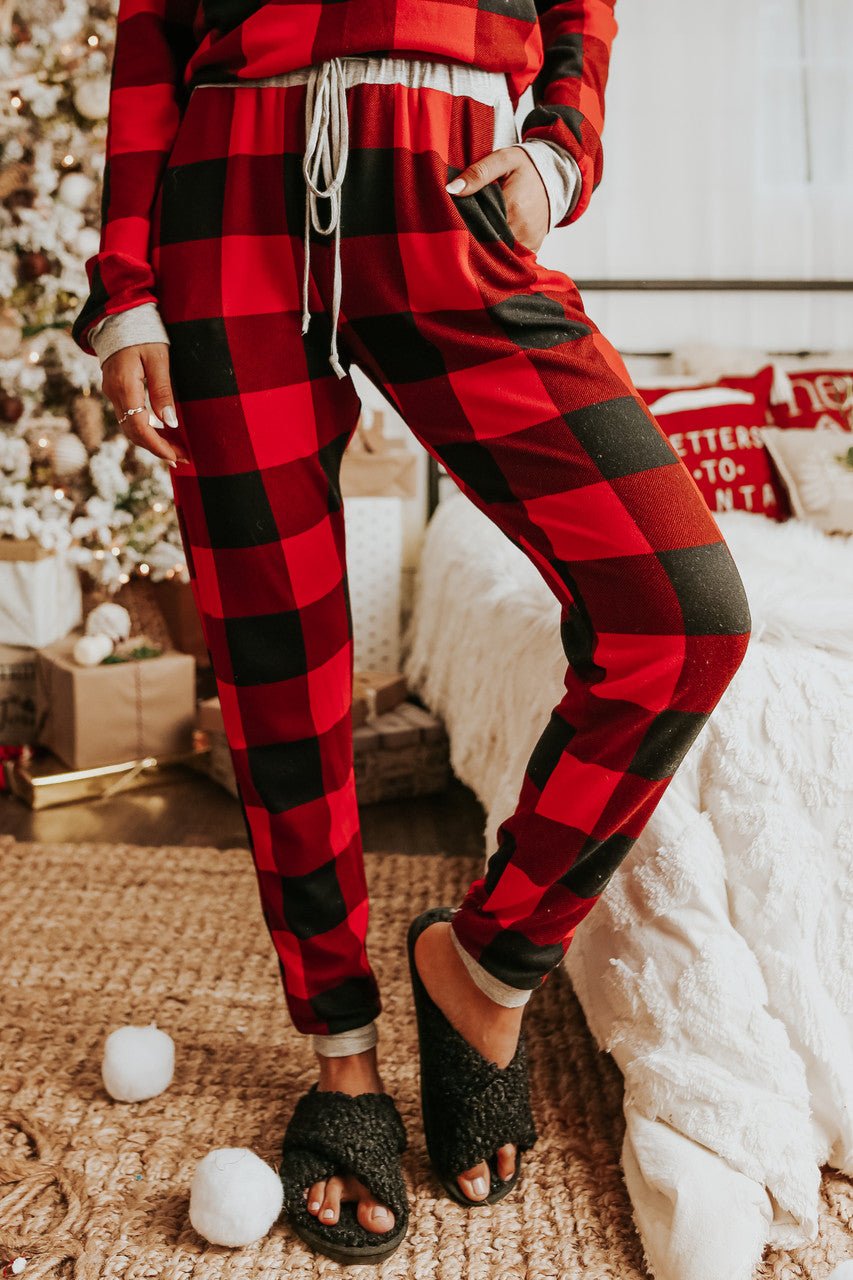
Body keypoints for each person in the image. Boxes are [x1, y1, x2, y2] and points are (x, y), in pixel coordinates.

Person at [71, 0, 753, 1264]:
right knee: (280, 664)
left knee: (681, 612)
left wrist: (556, 153)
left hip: (447, 185)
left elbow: (580, 14)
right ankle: (340, 1059)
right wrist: (126, 285)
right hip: (224, 200)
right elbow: (153, 29)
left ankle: (484, 966)